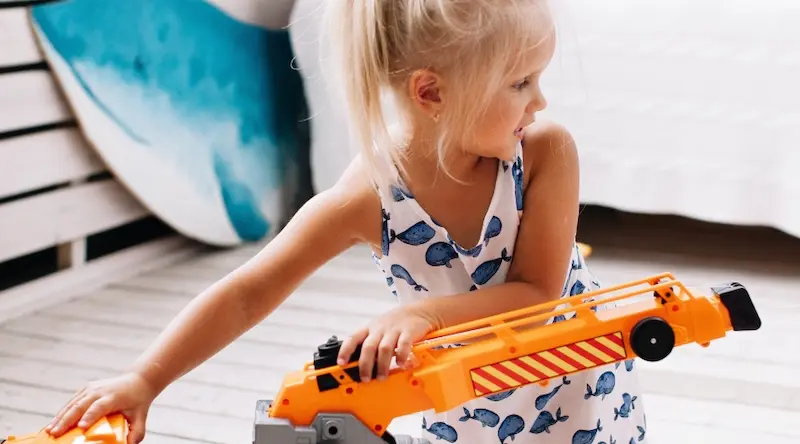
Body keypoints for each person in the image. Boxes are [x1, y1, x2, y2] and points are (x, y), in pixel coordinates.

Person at [44, 1, 647, 443]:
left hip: (572, 394)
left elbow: (539, 294)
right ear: (431, 92)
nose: (538, 100)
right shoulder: (370, 195)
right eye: (520, 83)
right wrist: (145, 379)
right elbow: (248, 292)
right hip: (464, 407)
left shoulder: (544, 152)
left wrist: (419, 313)